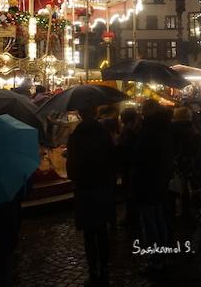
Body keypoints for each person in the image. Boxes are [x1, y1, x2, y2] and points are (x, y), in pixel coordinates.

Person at [66, 105, 117, 287]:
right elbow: (113, 159)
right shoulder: (105, 134)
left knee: (89, 234)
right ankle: (104, 268)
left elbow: (72, 170)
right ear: (95, 114)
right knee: (102, 231)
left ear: (80, 114)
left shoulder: (74, 138)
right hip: (103, 186)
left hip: (84, 188)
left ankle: (92, 271)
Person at [130, 99, 174, 280]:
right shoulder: (165, 128)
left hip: (147, 182)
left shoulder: (149, 132)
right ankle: (163, 259)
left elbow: (141, 159)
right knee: (159, 219)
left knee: (149, 222)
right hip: (160, 181)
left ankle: (155, 262)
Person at [115, 107, 141, 227]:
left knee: (129, 192)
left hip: (128, 166)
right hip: (135, 166)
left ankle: (131, 217)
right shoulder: (139, 129)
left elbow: (125, 150)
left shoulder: (127, 132)